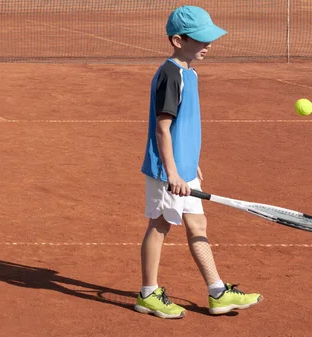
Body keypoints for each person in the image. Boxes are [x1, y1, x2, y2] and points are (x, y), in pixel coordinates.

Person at [134, 5, 262, 319]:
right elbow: (163, 128)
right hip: (168, 171)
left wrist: (191, 161)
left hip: (184, 167)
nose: (209, 45)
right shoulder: (171, 74)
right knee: (160, 225)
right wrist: (173, 171)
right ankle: (148, 294)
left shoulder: (189, 72)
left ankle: (217, 292)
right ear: (178, 40)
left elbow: (185, 126)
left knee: (197, 225)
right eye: (201, 39)